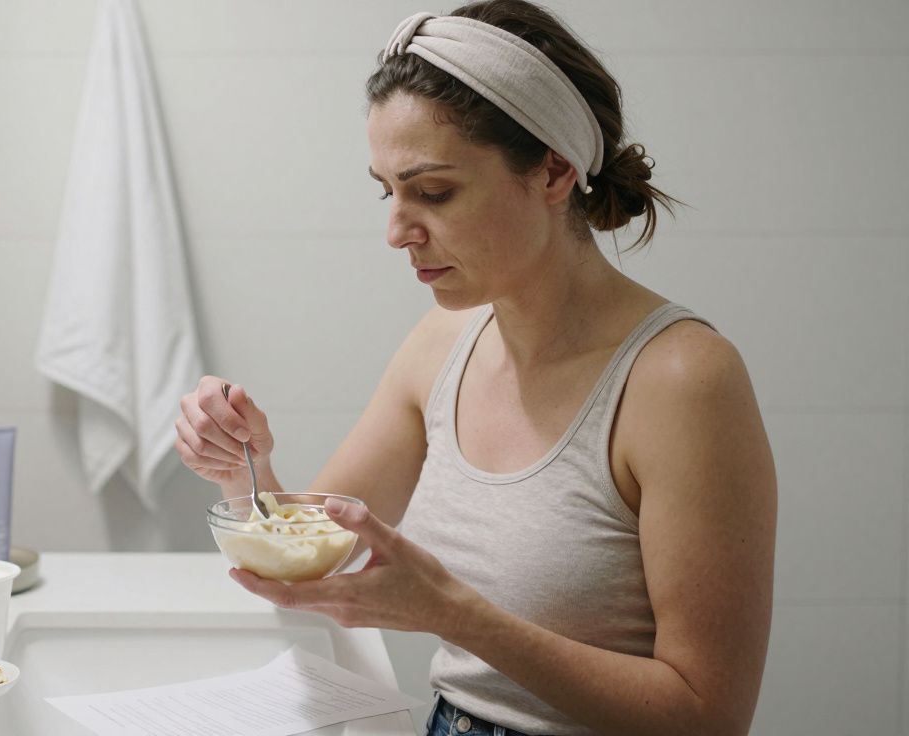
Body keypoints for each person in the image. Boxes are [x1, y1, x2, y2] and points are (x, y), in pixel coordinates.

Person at [173, 2, 776, 734]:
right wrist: (242, 465)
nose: (397, 231)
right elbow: (314, 556)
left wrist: (455, 614)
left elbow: (708, 717)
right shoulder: (442, 343)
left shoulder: (681, 381)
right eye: (386, 190)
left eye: (433, 192)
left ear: (553, 171)